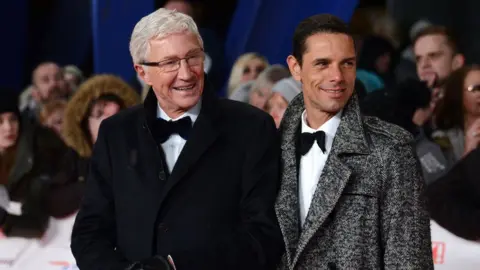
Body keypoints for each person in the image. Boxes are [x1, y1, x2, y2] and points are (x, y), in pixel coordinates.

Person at [71, 8, 283, 270]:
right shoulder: (116, 133)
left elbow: (264, 235)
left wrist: (175, 266)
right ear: (142, 72)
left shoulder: (251, 127)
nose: (186, 73)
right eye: (170, 62)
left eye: (193, 58)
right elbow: (88, 233)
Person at [275, 14, 433, 269]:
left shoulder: (390, 150)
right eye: (322, 64)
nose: (337, 76)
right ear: (295, 68)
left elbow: (409, 260)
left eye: (347, 63)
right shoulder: (270, 147)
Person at [47, 74, 140, 218]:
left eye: (116, 114)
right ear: (86, 126)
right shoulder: (75, 158)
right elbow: (52, 200)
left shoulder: (145, 152)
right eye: (99, 114)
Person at [0, 90, 67, 238]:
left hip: (44, 245)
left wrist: (3, 218)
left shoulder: (41, 152)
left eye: (13, 119)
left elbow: (35, 225)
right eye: (0, 121)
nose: (8, 128)